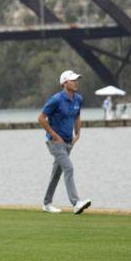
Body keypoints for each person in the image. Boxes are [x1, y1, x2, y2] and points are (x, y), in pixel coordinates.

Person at [37, 70, 91, 215]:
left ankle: (47, 203)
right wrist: (54, 135)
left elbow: (77, 117)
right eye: (73, 80)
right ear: (64, 83)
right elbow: (41, 117)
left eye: (77, 79)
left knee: (56, 173)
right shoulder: (55, 100)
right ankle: (76, 203)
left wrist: (78, 134)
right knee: (69, 168)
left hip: (68, 142)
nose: (76, 82)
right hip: (55, 143)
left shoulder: (78, 99)